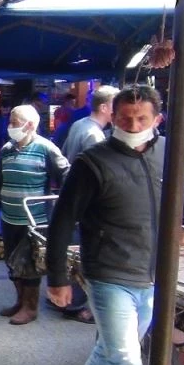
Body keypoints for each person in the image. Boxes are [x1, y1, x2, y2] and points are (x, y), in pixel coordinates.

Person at [45, 85, 184, 365]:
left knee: (110, 353)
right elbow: (62, 220)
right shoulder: (92, 162)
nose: (134, 126)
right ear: (113, 117)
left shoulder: (169, 152)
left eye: (142, 119)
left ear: (157, 120)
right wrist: (57, 278)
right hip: (108, 275)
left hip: (153, 276)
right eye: (125, 119)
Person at [0, 104, 70, 325]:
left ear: (29, 125)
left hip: (33, 221)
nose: (10, 126)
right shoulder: (7, 149)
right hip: (8, 218)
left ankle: (30, 308)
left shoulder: (46, 148)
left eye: (14, 123)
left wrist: (65, 205)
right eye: (10, 122)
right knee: (12, 262)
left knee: (30, 265)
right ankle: (19, 302)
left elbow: (67, 175)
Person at [50, 86, 119, 325]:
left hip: (73, 195)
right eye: (116, 106)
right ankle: (78, 304)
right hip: (86, 202)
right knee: (83, 254)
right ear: (105, 107)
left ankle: (67, 299)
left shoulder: (80, 125)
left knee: (73, 253)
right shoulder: (94, 136)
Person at [62, 86, 118, 162]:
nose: (118, 110)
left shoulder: (78, 123)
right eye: (115, 106)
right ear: (103, 108)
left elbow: (64, 154)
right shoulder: (94, 135)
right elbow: (97, 167)